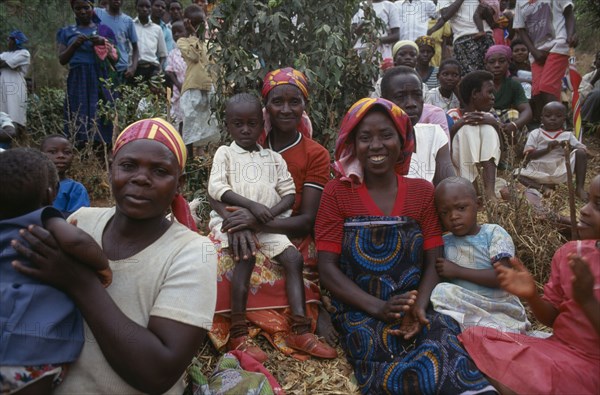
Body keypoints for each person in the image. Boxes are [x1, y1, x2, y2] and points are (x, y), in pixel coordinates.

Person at [9, 118, 217, 393]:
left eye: (160, 170)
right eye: (128, 166)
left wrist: (79, 283)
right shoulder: (79, 223)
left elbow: (158, 373)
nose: (141, 178)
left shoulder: (192, 252)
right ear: (111, 169)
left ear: (180, 183)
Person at [316, 97, 495, 394]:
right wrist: (379, 307)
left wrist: (420, 306)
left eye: (386, 135)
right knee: (381, 351)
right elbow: (327, 268)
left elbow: (433, 260)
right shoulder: (337, 192)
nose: (376, 145)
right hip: (361, 308)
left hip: (417, 302)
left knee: (443, 342)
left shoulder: (422, 192)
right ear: (352, 143)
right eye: (365, 137)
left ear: (403, 140)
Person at [207, 68, 336, 360]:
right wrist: (236, 222)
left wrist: (255, 220)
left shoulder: (312, 153)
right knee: (216, 263)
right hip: (240, 226)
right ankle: (239, 333)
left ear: (305, 105)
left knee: (291, 261)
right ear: (267, 107)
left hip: (288, 231)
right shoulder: (246, 143)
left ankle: (302, 325)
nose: (286, 109)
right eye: (278, 102)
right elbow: (215, 192)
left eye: (295, 101)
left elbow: (305, 219)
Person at [459, 174, 600, 394]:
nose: (585, 209)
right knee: (477, 337)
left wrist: (589, 301)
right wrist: (532, 295)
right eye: (589, 200)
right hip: (557, 350)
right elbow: (552, 319)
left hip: (592, 366)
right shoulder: (571, 253)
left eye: (598, 205)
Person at [0, 148, 110, 394]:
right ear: (51, 194)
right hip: (37, 353)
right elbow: (75, 241)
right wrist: (103, 265)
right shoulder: (45, 218)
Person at [430, 177, 529, 333]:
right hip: (465, 309)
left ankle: (495, 331)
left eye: (461, 208)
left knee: (443, 291)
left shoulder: (493, 233)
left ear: (479, 204)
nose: (453, 216)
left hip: (500, 307)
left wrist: (458, 271)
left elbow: (503, 278)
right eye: (444, 212)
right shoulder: (443, 243)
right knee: (441, 292)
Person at [381, 66, 454, 185]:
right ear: (384, 101)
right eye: (400, 96)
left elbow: (448, 185)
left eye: (417, 95)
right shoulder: (374, 142)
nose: (411, 104)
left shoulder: (434, 134)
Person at [57, 0, 118, 144]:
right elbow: (62, 59)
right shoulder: (66, 32)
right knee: (78, 109)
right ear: (73, 9)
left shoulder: (104, 30)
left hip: (100, 76)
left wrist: (102, 42)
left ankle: (102, 145)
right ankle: (79, 144)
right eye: (78, 8)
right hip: (78, 77)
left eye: (86, 7)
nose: (82, 12)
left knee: (101, 109)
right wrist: (74, 45)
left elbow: (115, 59)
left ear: (92, 8)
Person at [513, 0, 577, 122]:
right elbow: (520, 29)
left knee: (547, 86)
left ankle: (558, 127)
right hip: (537, 51)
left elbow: (568, 12)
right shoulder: (520, 2)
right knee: (537, 92)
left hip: (558, 44)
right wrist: (534, 51)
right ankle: (545, 128)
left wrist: (571, 34)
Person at [516, 101, 588, 200]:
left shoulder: (568, 135)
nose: (553, 118)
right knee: (517, 174)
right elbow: (528, 155)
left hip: (560, 171)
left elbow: (583, 151)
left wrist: (568, 147)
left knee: (580, 152)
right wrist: (547, 149)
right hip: (538, 170)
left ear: (564, 119)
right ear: (541, 118)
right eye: (548, 115)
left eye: (558, 116)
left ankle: (579, 188)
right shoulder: (535, 133)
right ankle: (543, 188)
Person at [448, 70, 502, 201]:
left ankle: (489, 193)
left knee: (488, 126)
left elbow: (502, 154)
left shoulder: (490, 118)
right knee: (466, 129)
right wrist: (457, 126)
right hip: (460, 176)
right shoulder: (452, 115)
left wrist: (494, 124)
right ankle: (469, 191)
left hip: (484, 177)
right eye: (489, 92)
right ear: (474, 94)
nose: (493, 97)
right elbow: (445, 150)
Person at [178, 4, 218, 150]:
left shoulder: (210, 44)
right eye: (194, 24)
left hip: (209, 87)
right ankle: (187, 158)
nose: (198, 27)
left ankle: (203, 158)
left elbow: (215, 65)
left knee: (208, 123)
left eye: (200, 23)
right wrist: (193, 34)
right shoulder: (183, 42)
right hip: (193, 87)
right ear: (188, 24)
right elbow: (194, 56)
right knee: (190, 122)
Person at [485, 45, 532, 140]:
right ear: (486, 65)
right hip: (486, 121)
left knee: (513, 114)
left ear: (508, 63)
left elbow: (526, 110)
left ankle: (512, 152)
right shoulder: (480, 84)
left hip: (507, 125)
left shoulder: (513, 84)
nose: (497, 65)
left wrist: (514, 125)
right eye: (492, 62)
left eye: (502, 61)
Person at [437, 0, 495, 76]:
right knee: (470, 78)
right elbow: (445, 15)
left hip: (486, 37)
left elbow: (492, 22)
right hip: (465, 40)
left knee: (491, 77)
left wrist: (485, 10)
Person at [40, 135, 91, 216]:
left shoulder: (75, 189)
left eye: (67, 152)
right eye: (53, 152)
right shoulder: (32, 186)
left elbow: (79, 217)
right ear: (41, 155)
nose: (61, 156)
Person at [95, 0, 139, 83]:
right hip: (100, 67)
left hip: (121, 70)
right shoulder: (97, 13)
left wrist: (133, 67)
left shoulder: (128, 21)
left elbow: (135, 47)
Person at [0, 31, 30, 130]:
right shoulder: (5, 54)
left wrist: (5, 63)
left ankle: (17, 140)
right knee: (3, 114)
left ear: (15, 41)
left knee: (15, 114)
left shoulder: (24, 53)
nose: (8, 42)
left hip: (15, 87)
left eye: (9, 40)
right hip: (2, 87)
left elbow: (6, 64)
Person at [132, 0, 168, 82]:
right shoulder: (131, 25)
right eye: (141, 6)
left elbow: (163, 54)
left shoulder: (157, 29)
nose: (144, 9)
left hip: (152, 70)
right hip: (134, 69)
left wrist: (160, 69)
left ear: (150, 8)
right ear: (136, 7)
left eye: (147, 7)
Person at [164, 20, 187, 129]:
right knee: (179, 118)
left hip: (191, 88)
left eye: (180, 31)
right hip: (178, 90)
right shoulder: (173, 53)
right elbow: (169, 71)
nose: (177, 34)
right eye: (174, 32)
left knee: (190, 118)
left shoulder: (191, 50)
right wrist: (178, 84)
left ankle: (191, 145)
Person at [580, 50, 600, 126]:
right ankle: (583, 126)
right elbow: (577, 102)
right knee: (597, 93)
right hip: (593, 117)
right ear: (595, 63)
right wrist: (593, 81)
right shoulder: (587, 78)